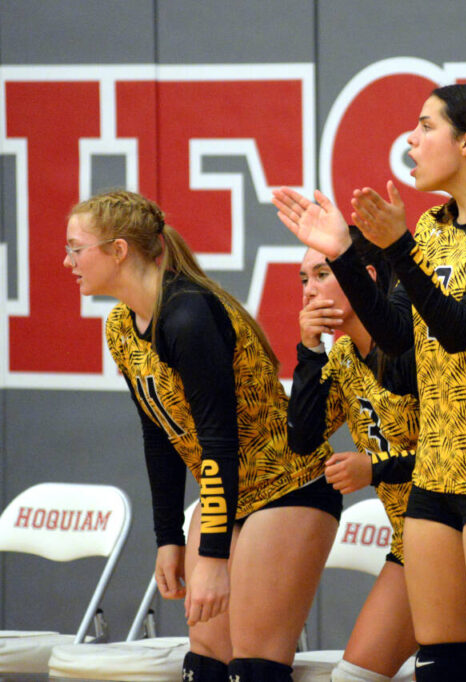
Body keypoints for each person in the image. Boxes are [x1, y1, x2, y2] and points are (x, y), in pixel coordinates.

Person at [273, 82, 466, 682]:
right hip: (436, 474)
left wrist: (395, 246)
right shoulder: (431, 229)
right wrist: (347, 255)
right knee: (441, 667)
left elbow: (460, 329)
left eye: (427, 126)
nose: (411, 137)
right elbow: (400, 348)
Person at [64, 189, 340, 682]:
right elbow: (158, 435)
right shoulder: (121, 328)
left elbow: (218, 440)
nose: (68, 261)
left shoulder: (188, 314)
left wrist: (212, 555)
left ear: (119, 250)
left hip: (286, 485)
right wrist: (168, 537)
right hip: (226, 496)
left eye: (76, 248)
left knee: (252, 666)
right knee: (206, 663)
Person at [287, 229, 420, 682]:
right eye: (303, 279)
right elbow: (303, 439)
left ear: (361, 276)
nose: (309, 290)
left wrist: (375, 468)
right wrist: (309, 349)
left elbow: (460, 455)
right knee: (353, 678)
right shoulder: (343, 354)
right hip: (411, 543)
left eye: (322, 274)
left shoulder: (415, 344)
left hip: (463, 533)